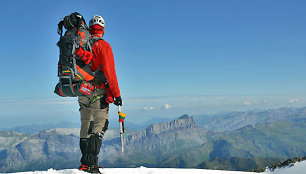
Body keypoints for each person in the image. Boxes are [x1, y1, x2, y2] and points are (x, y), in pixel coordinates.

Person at [77, 15, 122, 173]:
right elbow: (110, 72)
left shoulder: (80, 45)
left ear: (89, 29)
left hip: (82, 91)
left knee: (85, 125)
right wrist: (117, 94)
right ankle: (92, 164)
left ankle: (84, 163)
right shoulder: (104, 46)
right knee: (99, 125)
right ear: (103, 29)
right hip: (97, 91)